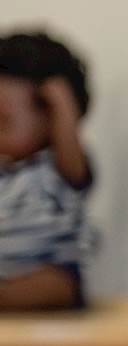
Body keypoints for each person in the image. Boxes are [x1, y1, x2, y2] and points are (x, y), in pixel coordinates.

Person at [0, 29, 94, 310]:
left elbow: (75, 167)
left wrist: (63, 105)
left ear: (51, 115)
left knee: (56, 285)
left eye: (3, 121)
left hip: (45, 271)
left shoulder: (56, 171)